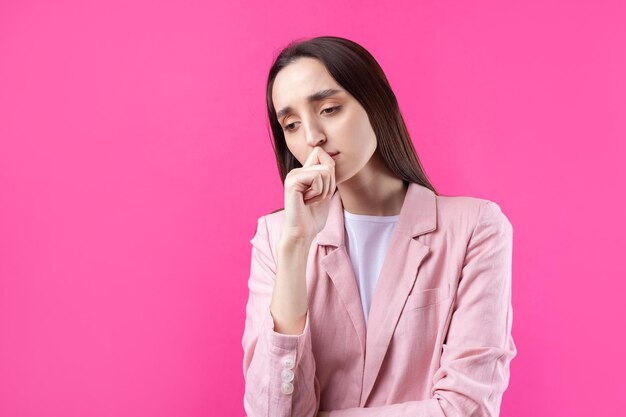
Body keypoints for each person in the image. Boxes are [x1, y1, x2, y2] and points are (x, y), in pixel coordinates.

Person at [242, 36, 516, 417]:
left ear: (376, 103)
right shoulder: (276, 237)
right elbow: (271, 410)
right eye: (291, 124)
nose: (312, 137)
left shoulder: (475, 228)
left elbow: (468, 408)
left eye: (330, 109)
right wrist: (295, 247)